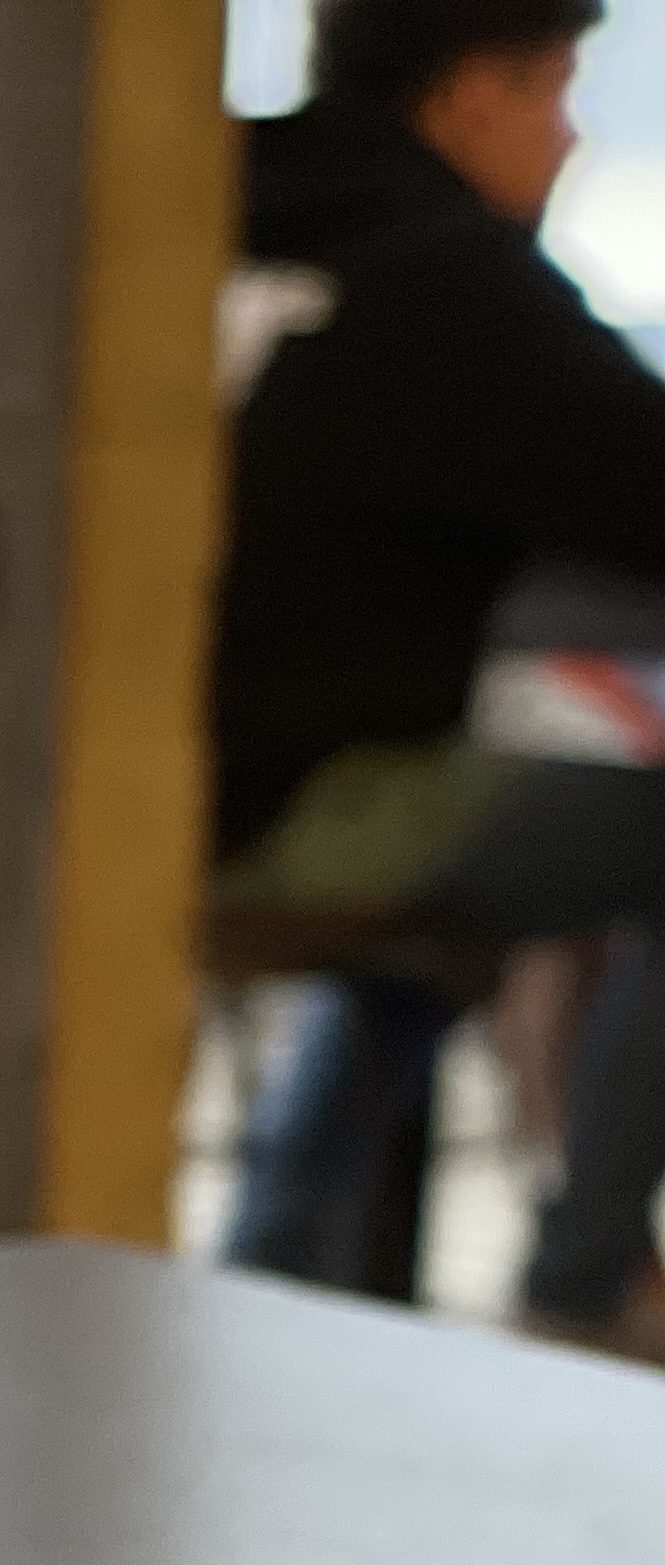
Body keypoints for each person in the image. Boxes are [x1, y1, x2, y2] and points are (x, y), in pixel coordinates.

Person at [215, 0, 665, 1352]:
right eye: (556, 92)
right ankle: (590, 1283)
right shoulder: (440, 273)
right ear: (473, 91)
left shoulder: (218, 214)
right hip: (280, 800)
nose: (571, 138)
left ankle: (276, 1257)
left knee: (452, 891)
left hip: (128, 775)